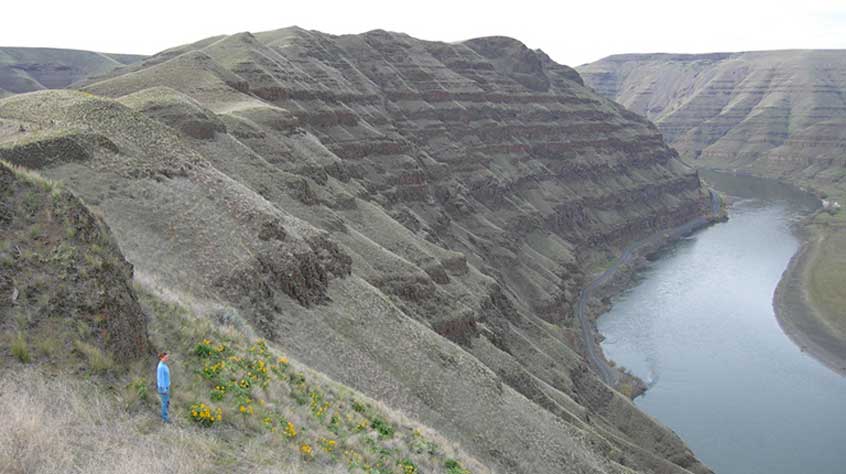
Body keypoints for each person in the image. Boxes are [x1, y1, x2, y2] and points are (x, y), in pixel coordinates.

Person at [156, 352, 171, 423]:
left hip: (167, 386)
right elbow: (160, 379)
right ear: (161, 358)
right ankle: (165, 419)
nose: (167, 359)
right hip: (163, 388)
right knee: (164, 403)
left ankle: (166, 416)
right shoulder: (161, 367)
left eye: (168, 357)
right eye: (166, 357)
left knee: (167, 402)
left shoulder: (164, 364)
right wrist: (164, 389)